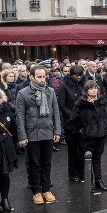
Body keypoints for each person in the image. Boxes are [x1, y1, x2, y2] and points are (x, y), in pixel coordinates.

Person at [16, 65, 60, 205]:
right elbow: (20, 116)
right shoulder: (23, 93)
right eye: (39, 77)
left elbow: (56, 112)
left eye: (44, 76)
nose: (42, 79)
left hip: (47, 131)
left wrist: (57, 131)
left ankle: (46, 188)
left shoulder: (51, 91)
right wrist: (22, 136)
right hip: (32, 133)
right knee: (35, 163)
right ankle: (36, 190)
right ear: (32, 77)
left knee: (47, 162)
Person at [69, 80, 107, 192]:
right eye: (91, 88)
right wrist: (81, 130)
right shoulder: (80, 104)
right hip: (87, 136)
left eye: (95, 88)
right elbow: (74, 120)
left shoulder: (102, 101)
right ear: (86, 91)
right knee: (88, 159)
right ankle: (89, 182)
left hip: (101, 134)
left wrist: (106, 127)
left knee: (97, 158)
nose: (94, 90)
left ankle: (98, 180)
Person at [58, 65, 86, 182]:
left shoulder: (85, 84)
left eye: (80, 75)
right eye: (76, 75)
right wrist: (74, 116)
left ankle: (83, 172)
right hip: (71, 123)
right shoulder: (64, 86)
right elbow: (62, 105)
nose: (78, 77)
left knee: (83, 149)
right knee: (73, 150)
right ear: (71, 74)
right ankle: (73, 173)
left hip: (84, 122)